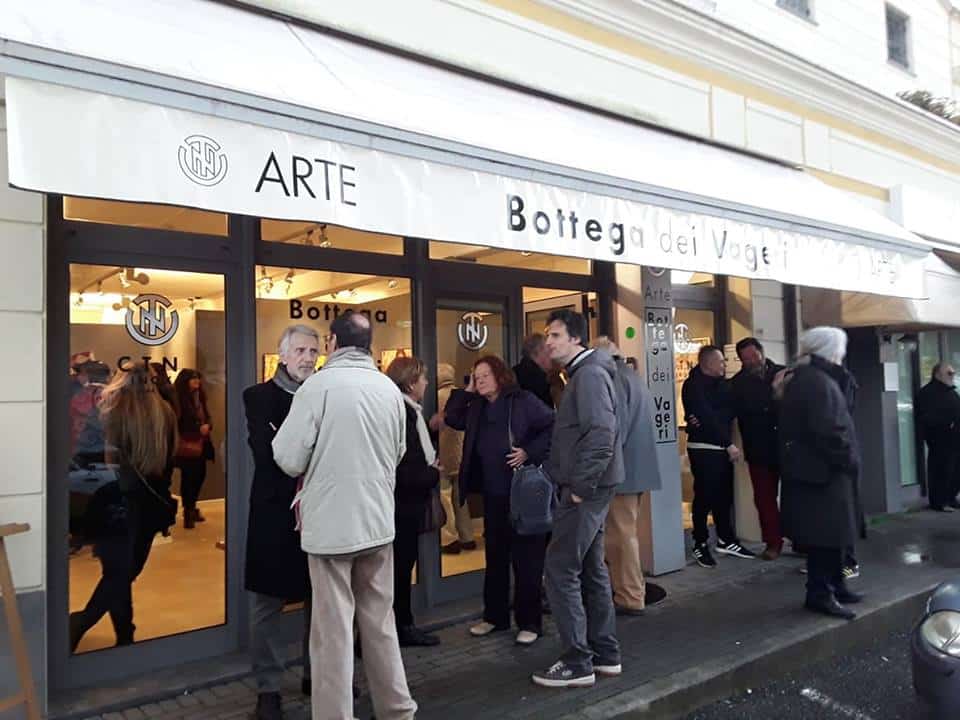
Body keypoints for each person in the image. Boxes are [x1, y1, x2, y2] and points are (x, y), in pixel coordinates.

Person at [272, 310, 417, 720]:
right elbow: (400, 451)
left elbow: (287, 457)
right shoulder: (388, 390)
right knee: (379, 622)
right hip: (377, 523)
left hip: (331, 529)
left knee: (332, 632)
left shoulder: (317, 388)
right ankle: (397, 708)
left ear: (333, 343)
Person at [532, 309, 622, 689]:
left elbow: (602, 433)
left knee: (560, 569)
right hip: (592, 488)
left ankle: (577, 662)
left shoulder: (587, 377)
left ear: (576, 339)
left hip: (586, 491)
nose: (548, 342)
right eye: (547, 336)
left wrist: (581, 487)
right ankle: (604, 654)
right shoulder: (586, 374)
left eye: (555, 335)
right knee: (590, 568)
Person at [444, 355, 554, 645]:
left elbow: (551, 425)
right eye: (475, 376)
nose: (479, 381)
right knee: (495, 558)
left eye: (484, 376)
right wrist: (467, 391)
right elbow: (452, 418)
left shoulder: (523, 400)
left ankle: (530, 622)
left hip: (522, 494)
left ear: (500, 377)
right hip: (493, 494)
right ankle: (495, 617)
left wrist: (529, 451)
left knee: (526, 560)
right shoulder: (477, 405)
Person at [69, 362, 178, 651]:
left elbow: (85, 455)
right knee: (122, 574)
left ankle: (88, 624)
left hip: (110, 501)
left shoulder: (108, 411)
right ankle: (118, 634)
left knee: (116, 573)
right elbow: (168, 465)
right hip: (147, 505)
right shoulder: (164, 413)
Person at [243, 325, 319, 720]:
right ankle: (268, 688)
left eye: (314, 350)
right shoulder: (257, 397)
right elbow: (268, 454)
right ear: (283, 355)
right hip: (273, 515)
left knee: (319, 602)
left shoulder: (326, 395)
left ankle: (316, 674)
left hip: (318, 514)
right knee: (265, 605)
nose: (308, 358)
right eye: (301, 350)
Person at [779, 327, 864, 621]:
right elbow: (829, 430)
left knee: (831, 535)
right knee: (825, 536)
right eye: (840, 347)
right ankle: (821, 592)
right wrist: (848, 459)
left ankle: (835, 586)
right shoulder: (816, 382)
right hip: (822, 474)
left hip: (818, 473)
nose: (842, 353)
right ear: (830, 350)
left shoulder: (809, 378)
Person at [590, 337, 663, 616]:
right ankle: (632, 589)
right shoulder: (631, 375)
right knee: (625, 533)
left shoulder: (613, 379)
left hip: (620, 473)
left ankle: (629, 595)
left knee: (620, 536)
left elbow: (612, 429)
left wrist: (597, 468)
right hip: (635, 470)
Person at [682, 345, 756, 568]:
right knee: (704, 495)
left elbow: (727, 410)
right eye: (721, 361)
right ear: (707, 363)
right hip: (704, 448)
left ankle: (726, 538)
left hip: (721, 449)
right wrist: (727, 443)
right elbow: (705, 416)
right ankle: (700, 542)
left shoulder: (723, 385)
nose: (725, 365)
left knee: (724, 496)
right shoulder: (693, 385)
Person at [386, 356, 442, 648]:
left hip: (400, 506)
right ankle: (401, 627)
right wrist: (432, 474)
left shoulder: (408, 412)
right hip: (402, 507)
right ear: (410, 382)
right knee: (399, 569)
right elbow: (404, 469)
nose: (427, 383)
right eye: (422, 378)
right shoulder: (404, 414)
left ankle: (399, 626)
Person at [730, 338, 786, 561]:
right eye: (746, 359)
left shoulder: (784, 373)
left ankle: (801, 539)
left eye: (754, 356)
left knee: (795, 496)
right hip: (758, 448)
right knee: (764, 499)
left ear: (762, 353)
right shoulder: (737, 383)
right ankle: (773, 542)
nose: (752, 361)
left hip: (787, 445)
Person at [433, 363, 476, 555]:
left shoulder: (436, 398)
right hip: (462, 454)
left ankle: (450, 538)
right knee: (461, 499)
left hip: (442, 454)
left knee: (445, 497)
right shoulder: (461, 395)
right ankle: (467, 536)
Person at [916, 362, 960, 512]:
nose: (952, 375)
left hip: (954, 439)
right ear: (938, 375)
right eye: (949, 373)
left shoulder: (950, 391)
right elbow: (927, 417)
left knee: (955, 470)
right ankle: (939, 502)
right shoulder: (928, 393)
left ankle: (950, 497)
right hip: (940, 439)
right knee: (941, 469)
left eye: (953, 373)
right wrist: (948, 424)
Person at [174, 369, 213, 529]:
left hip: (202, 443)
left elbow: (207, 416)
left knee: (199, 476)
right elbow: (179, 421)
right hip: (187, 444)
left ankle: (192, 507)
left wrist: (208, 426)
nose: (197, 381)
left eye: (198, 377)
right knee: (189, 478)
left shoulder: (200, 397)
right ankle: (188, 511)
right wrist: (198, 429)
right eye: (193, 378)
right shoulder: (179, 399)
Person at [513, 333, 556, 409]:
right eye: (549, 352)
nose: (552, 357)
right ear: (538, 353)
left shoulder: (513, 374)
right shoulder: (540, 381)